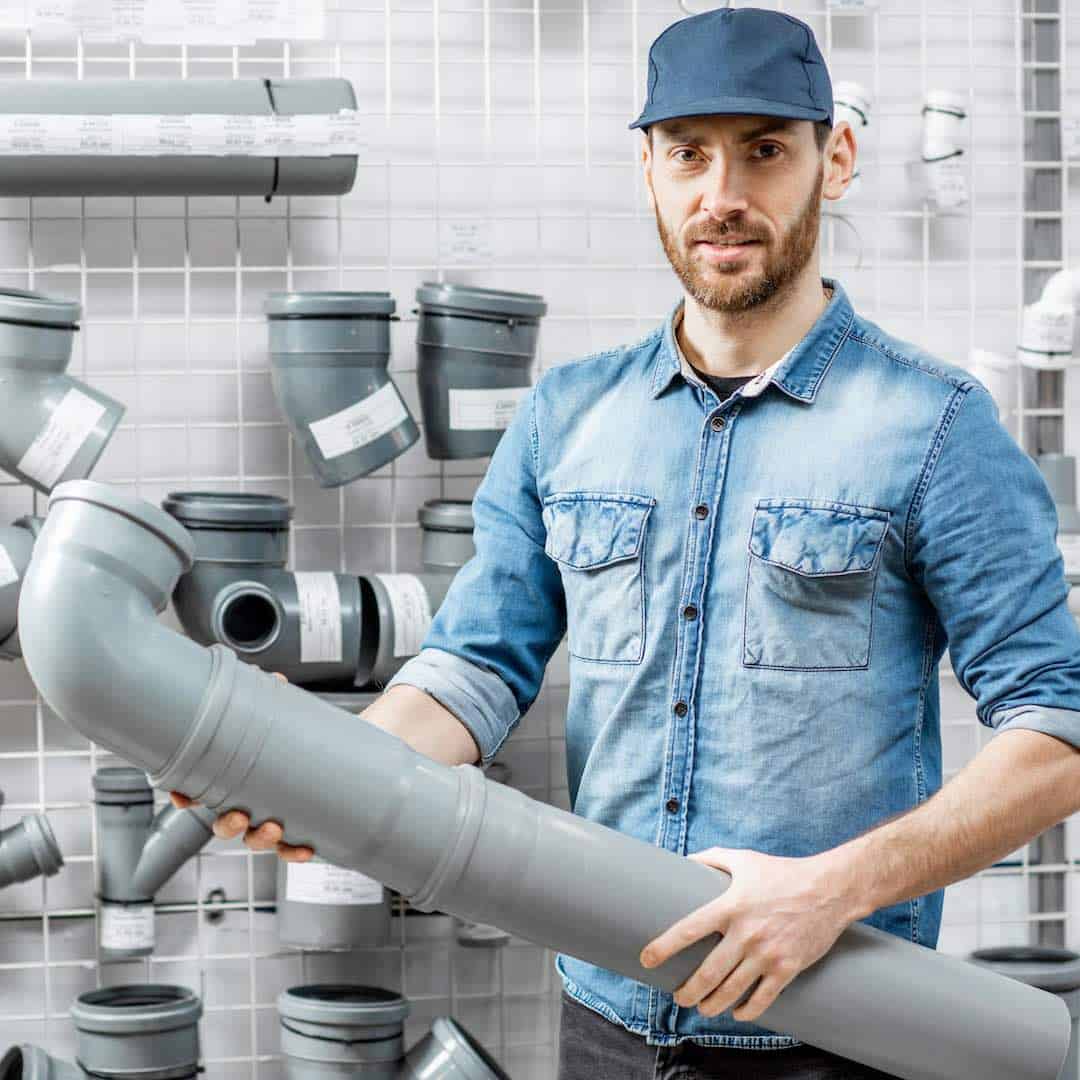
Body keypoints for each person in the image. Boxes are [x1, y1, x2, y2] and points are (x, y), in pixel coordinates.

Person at [174, 7, 1080, 1078]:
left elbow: (1058, 728)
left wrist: (834, 887)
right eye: (688, 152)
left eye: (765, 150)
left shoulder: (933, 427)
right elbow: (472, 670)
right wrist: (323, 780)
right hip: (604, 1023)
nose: (723, 194)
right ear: (646, 167)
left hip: (834, 1032)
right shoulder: (565, 418)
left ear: (835, 160)